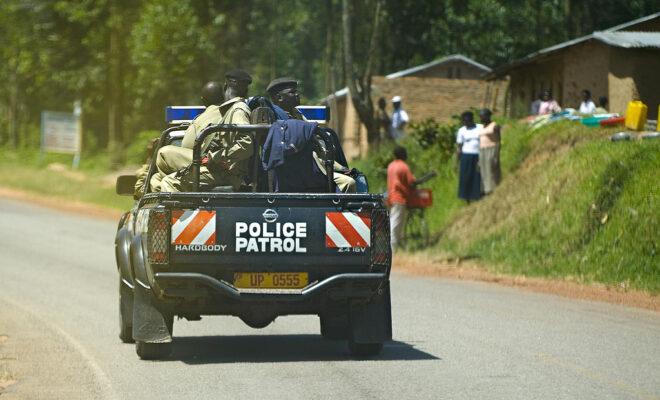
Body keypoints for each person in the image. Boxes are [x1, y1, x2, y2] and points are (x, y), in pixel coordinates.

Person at [154, 69, 253, 192]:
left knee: (169, 182)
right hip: (222, 170)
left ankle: (186, 211)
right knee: (159, 177)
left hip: (225, 173)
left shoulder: (238, 109)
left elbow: (246, 143)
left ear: (225, 86)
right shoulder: (231, 109)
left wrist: (215, 157)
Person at [267, 77, 356, 193]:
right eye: (292, 92)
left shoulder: (296, 114)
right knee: (349, 183)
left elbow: (318, 145)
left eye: (296, 91)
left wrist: (340, 168)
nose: (297, 94)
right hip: (297, 171)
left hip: (312, 166)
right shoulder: (275, 117)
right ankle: (342, 210)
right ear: (279, 97)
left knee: (353, 176)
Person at [387, 146, 416, 251]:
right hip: (400, 198)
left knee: (395, 221)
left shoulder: (391, 166)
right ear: (403, 155)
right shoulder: (404, 166)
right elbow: (411, 181)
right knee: (395, 223)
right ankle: (392, 247)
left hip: (391, 197)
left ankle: (397, 246)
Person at [456, 111, 483, 202]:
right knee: (465, 177)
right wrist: (457, 161)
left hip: (477, 155)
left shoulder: (480, 127)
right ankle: (466, 197)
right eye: (464, 121)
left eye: (468, 121)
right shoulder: (462, 130)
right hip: (466, 156)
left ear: (472, 120)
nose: (466, 123)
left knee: (476, 175)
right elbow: (459, 147)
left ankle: (477, 196)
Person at [478, 109, 501, 195]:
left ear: (487, 116)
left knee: (491, 169)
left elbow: (498, 140)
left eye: (482, 116)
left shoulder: (494, 126)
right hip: (482, 150)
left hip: (491, 149)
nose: (480, 118)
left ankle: (494, 188)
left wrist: (496, 153)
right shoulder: (481, 127)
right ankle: (487, 189)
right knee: (484, 170)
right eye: (480, 116)